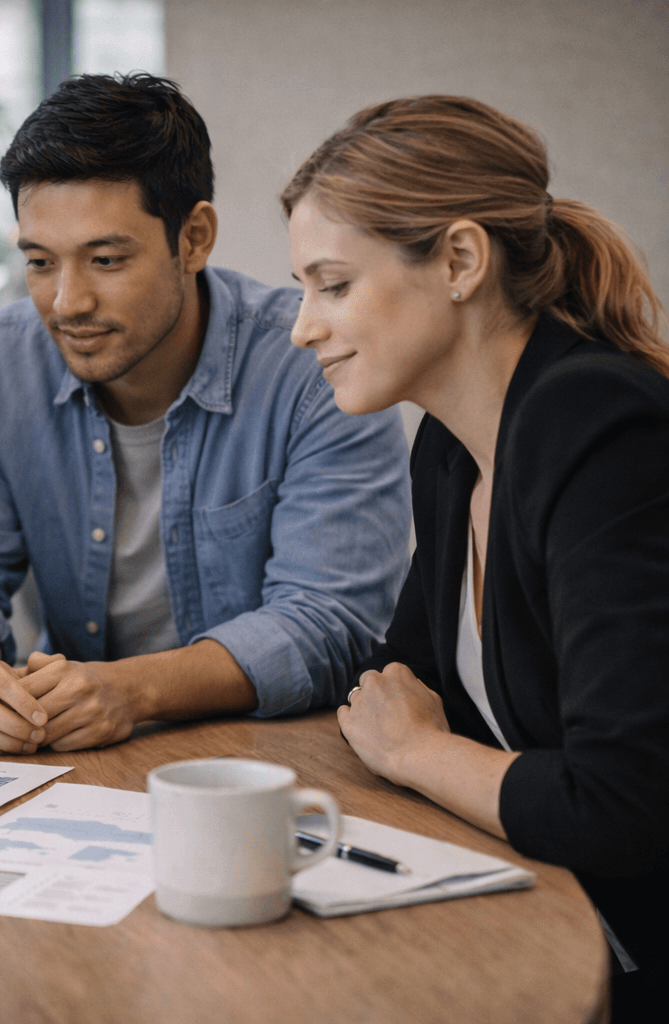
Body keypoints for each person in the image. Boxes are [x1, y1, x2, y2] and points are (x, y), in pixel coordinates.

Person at [0, 73, 412, 756]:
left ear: (193, 238)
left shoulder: (314, 363)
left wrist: (132, 691)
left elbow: (330, 621)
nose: (67, 302)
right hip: (76, 757)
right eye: (40, 262)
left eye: (105, 260)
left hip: (269, 762)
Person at [283, 95, 669, 1019]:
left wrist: (419, 751)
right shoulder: (451, 448)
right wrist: (411, 735)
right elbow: (392, 684)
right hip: (547, 907)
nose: (303, 327)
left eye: (333, 286)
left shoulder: (600, 427)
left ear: (460, 261)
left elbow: (624, 806)